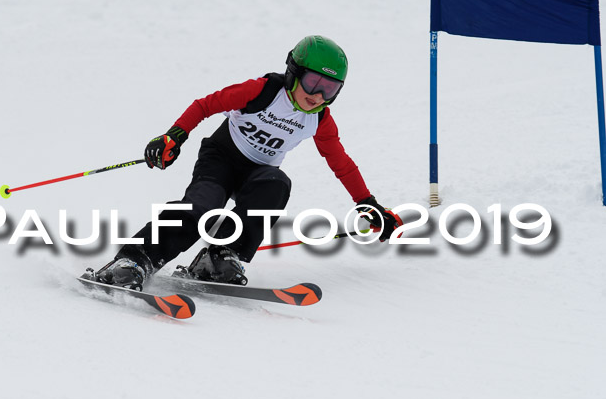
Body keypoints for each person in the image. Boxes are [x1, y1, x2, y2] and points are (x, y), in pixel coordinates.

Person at [83, 35, 401, 290]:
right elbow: (206, 105)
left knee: (277, 185)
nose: (317, 95)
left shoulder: (319, 120)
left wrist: (368, 203)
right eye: (313, 83)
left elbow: (341, 163)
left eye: (329, 89)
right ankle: (135, 260)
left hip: (258, 173)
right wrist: (175, 135)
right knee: (201, 208)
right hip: (221, 159)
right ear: (294, 72)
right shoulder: (262, 91)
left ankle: (220, 255)